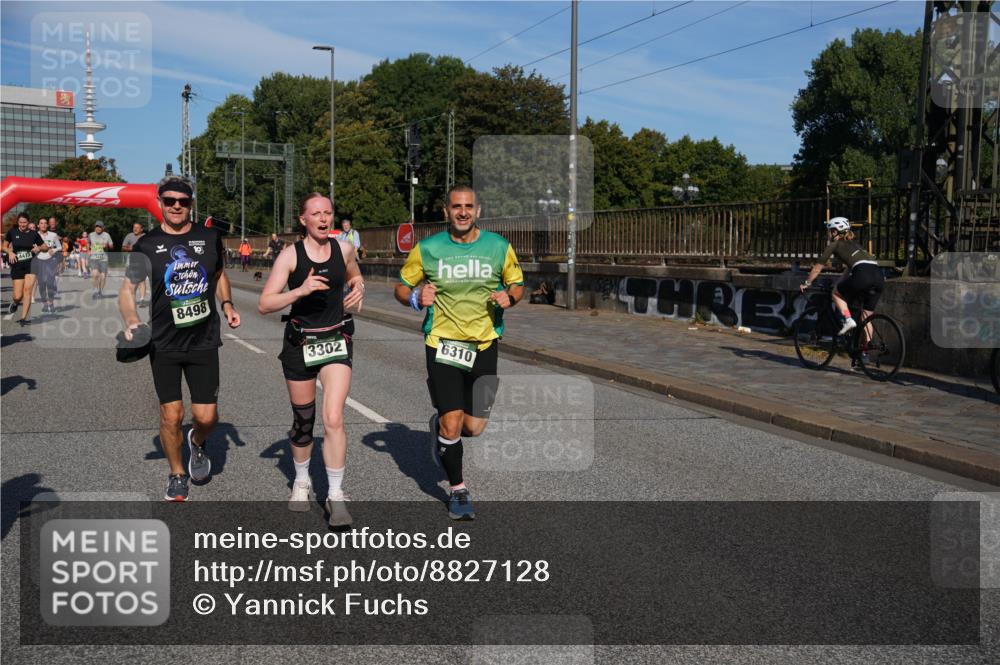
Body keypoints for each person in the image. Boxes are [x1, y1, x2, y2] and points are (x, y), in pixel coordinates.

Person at [394, 185, 524, 520]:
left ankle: (440, 426)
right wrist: (413, 298)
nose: (462, 212)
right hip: (443, 344)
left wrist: (511, 297)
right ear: (445, 211)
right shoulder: (428, 249)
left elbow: (517, 284)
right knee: (453, 426)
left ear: (478, 211)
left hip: (483, 344)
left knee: (474, 427)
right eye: (456, 207)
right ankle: (458, 489)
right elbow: (402, 286)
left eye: (468, 206)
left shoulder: (498, 246)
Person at [119, 175, 241, 502]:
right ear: (159, 202)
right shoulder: (146, 244)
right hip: (164, 344)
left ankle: (197, 443)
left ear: (191, 204)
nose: (176, 206)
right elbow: (127, 291)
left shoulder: (210, 237)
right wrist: (132, 320)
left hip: (204, 342)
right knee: (171, 414)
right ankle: (176, 472)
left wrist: (227, 304)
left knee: (206, 417)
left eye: (183, 201)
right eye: (170, 200)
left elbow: (218, 275)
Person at [258, 193, 364, 526]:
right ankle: (302, 480)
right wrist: (300, 291)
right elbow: (265, 303)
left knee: (333, 418)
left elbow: (353, 272)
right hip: (300, 341)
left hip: (335, 339)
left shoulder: (344, 249)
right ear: (303, 219)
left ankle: (335, 495)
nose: (323, 218)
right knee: (304, 420)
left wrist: (358, 284)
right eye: (315, 213)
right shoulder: (290, 256)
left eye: (328, 212)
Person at [801, 216, 885, 339]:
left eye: (829, 231)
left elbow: (817, 268)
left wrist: (807, 283)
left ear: (835, 231)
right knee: (866, 317)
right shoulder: (857, 246)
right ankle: (865, 352)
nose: (829, 235)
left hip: (862, 275)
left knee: (835, 294)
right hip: (879, 276)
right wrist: (838, 284)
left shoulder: (835, 244)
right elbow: (849, 269)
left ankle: (848, 319)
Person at [3, 212, 46, 326]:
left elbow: (45, 246)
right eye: (20, 222)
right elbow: (3, 246)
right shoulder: (12, 232)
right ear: (18, 222)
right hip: (17, 265)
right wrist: (10, 252)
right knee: (18, 295)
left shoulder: (34, 234)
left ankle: (23, 318)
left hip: (31, 265)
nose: (22, 224)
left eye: (25, 222)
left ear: (28, 222)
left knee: (27, 291)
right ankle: (16, 303)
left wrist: (39, 248)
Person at [33, 218, 61, 313]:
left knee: (49, 283)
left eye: (45, 223)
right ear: (38, 225)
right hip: (39, 261)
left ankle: (51, 303)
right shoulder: (34, 235)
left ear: (47, 225)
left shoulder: (53, 235)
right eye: (41, 223)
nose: (43, 225)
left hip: (51, 260)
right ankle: (45, 304)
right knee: (42, 284)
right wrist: (35, 249)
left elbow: (59, 246)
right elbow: (30, 247)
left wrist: (54, 250)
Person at [122, 222, 148, 306]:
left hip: (142, 260)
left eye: (137, 227)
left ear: (141, 229)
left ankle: (142, 300)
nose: (135, 229)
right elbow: (123, 247)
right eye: (134, 227)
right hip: (131, 259)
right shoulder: (129, 236)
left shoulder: (145, 236)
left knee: (142, 280)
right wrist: (131, 248)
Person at [88, 221, 114, 298]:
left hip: (104, 258)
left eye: (100, 227)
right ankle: (95, 289)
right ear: (95, 227)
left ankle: (100, 291)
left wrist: (107, 245)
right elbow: (88, 243)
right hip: (94, 258)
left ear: (103, 228)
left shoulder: (107, 235)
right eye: (97, 226)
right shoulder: (91, 235)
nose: (98, 228)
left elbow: (111, 246)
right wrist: (88, 250)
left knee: (103, 276)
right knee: (95, 274)